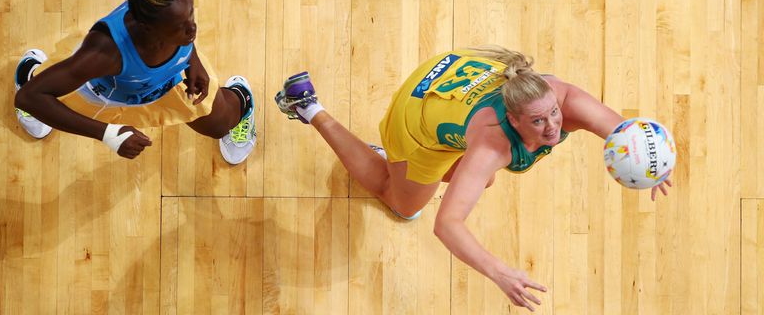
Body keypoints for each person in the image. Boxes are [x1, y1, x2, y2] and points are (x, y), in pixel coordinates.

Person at [275, 45, 673, 311]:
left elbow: (626, 134)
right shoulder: (490, 146)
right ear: (514, 119)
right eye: (538, 121)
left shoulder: (562, 99)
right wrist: (498, 271)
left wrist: (646, 166)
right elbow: (446, 224)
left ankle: (405, 169)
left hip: (455, 80)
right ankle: (308, 106)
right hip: (417, 113)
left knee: (482, 180)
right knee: (401, 201)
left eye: (553, 113)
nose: (553, 126)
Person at [13, 0, 256, 164]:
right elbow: (29, 98)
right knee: (45, 95)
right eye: (179, 28)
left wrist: (193, 60)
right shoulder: (103, 52)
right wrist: (108, 134)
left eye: (190, 14)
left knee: (218, 126)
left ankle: (241, 98)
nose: (192, 29)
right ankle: (32, 73)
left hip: (165, 83)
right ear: (147, 28)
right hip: (102, 94)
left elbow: (183, 27)